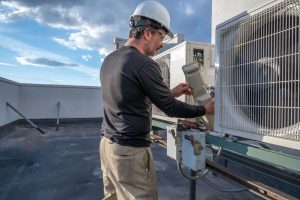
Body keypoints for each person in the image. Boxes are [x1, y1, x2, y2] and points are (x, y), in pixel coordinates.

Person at [99, 1, 214, 199]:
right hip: (129, 153)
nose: (162, 44)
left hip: (107, 146)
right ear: (147, 34)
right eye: (161, 36)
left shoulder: (110, 59)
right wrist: (204, 109)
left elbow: (131, 98)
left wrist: (171, 92)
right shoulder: (144, 64)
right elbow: (169, 108)